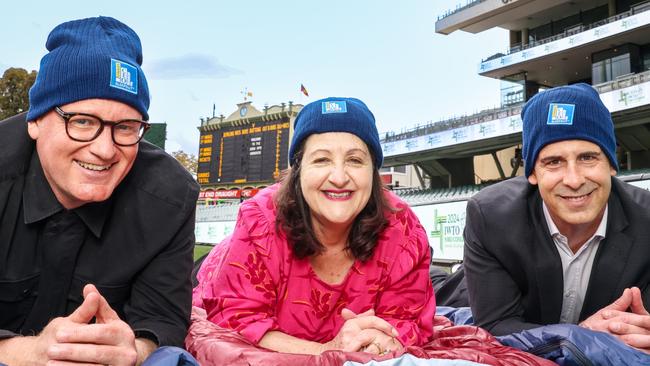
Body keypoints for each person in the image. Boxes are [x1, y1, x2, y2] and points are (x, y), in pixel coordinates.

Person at [0, 17, 199, 365]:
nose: (105, 150)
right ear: (35, 120)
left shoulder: (170, 196)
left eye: (125, 127)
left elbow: (163, 320)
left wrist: (132, 351)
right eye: (82, 121)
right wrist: (28, 354)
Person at [193, 97, 435, 355]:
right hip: (223, 268)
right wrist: (330, 351)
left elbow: (407, 323)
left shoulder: (402, 229)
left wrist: (378, 344)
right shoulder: (259, 219)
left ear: (373, 171)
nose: (339, 178)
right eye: (321, 160)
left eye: (355, 160)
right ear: (298, 170)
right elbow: (236, 320)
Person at [463, 83, 650, 353]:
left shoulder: (647, 221)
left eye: (588, 157)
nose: (573, 180)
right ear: (532, 174)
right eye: (553, 162)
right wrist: (581, 336)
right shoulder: (489, 216)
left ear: (611, 163)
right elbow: (495, 327)